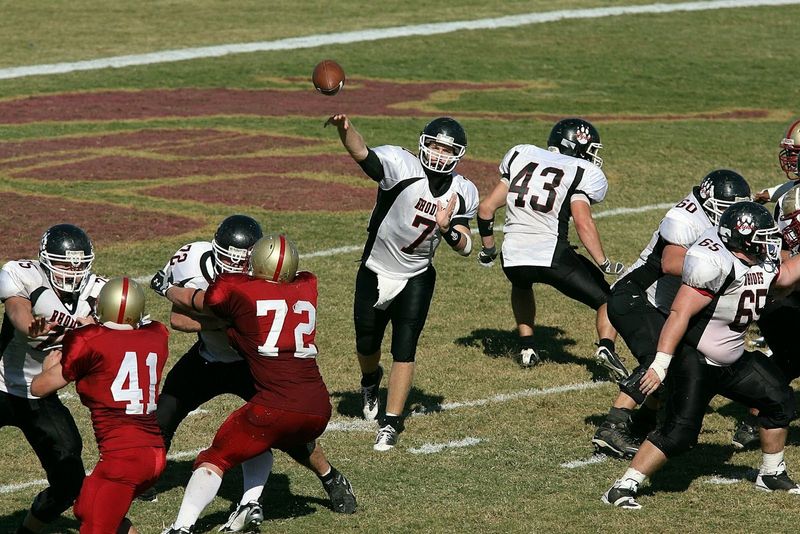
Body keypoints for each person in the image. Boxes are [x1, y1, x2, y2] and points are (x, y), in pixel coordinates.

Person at [149, 215, 355, 526]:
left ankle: (329, 476)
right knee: (164, 414)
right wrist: (225, 321)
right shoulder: (191, 258)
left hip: (251, 363)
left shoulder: (264, 279)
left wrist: (229, 319)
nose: (233, 267)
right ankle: (145, 477)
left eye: (241, 261)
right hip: (207, 357)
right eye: (227, 258)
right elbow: (179, 319)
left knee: (285, 432)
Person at [603, 201, 800, 509]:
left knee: (779, 400)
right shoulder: (715, 263)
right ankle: (623, 486)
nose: (770, 242)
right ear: (743, 238)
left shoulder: (760, 261)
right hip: (695, 360)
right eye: (762, 236)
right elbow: (679, 313)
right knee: (678, 433)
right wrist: (661, 363)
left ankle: (771, 473)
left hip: (733, 360)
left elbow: (787, 275)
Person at [325, 113, 479, 451]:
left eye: (447, 149)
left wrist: (448, 230)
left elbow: (467, 245)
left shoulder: (463, 190)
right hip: (376, 267)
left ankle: (391, 423)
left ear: (458, 154)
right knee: (366, 343)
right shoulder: (400, 165)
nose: (439, 154)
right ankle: (369, 381)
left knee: (404, 348)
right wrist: (345, 129)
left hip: (417, 275)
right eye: (435, 146)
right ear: (423, 145)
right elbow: (363, 153)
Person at [592, 170, 751, 459]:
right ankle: (612, 426)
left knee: (676, 363)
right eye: (725, 209)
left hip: (660, 303)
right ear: (708, 200)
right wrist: (727, 272)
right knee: (657, 361)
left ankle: (644, 422)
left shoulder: (712, 218)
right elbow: (670, 262)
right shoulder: (684, 218)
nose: (731, 217)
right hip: (636, 296)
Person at [477, 118, 625, 376]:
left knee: (521, 284)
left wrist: (488, 249)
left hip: (513, 256)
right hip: (551, 254)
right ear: (574, 146)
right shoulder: (581, 170)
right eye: (590, 150)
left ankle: (526, 347)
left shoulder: (521, 154)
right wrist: (603, 262)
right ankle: (606, 347)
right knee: (606, 299)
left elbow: (486, 209)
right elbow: (583, 221)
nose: (592, 157)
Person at [30, 278, 168, 534]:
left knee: (96, 527)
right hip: (153, 453)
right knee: (85, 507)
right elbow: (121, 342)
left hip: (123, 459)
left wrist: (48, 367)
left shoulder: (90, 341)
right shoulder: (156, 336)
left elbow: (38, 388)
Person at [0, 223, 105, 534]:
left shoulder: (99, 292)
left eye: (78, 264)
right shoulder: (24, 274)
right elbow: (16, 308)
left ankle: (27, 531)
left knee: (70, 479)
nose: (71, 272)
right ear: (45, 261)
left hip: (41, 396)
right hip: (1, 383)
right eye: (63, 263)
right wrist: (30, 324)